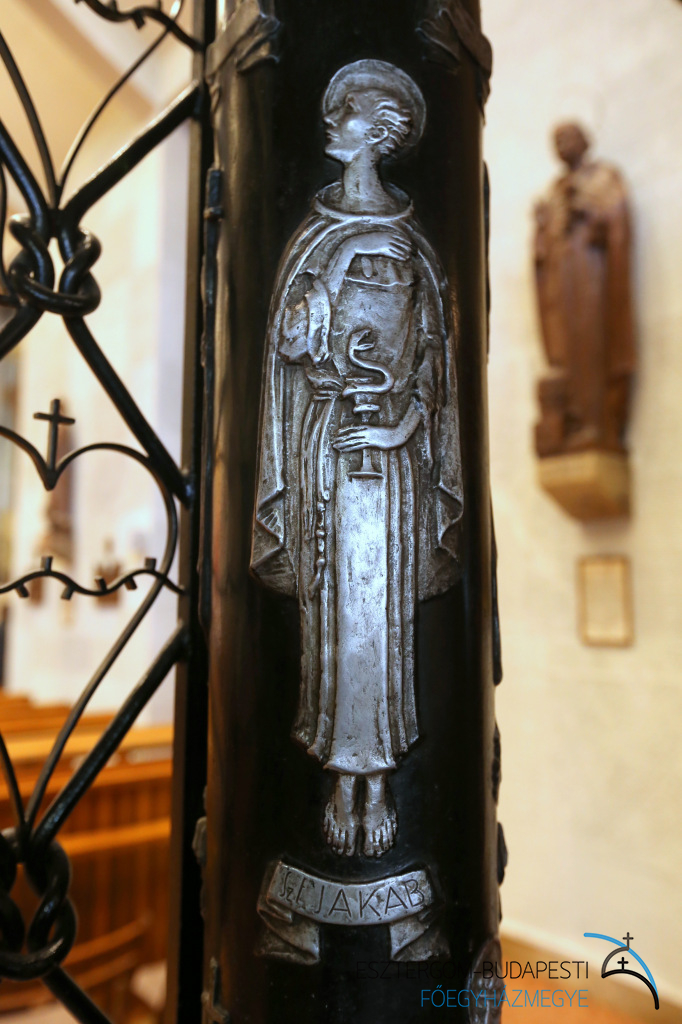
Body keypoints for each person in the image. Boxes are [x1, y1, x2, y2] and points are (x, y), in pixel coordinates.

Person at [251, 60, 462, 858]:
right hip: (326, 450)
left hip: (391, 458)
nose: (331, 119)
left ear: (378, 133)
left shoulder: (413, 248)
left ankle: (378, 777)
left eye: (348, 110)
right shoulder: (314, 239)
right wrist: (330, 279)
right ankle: (342, 777)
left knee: (378, 611)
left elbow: (435, 371)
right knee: (337, 605)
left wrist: (398, 430)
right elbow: (288, 350)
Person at [534, 123, 636, 456]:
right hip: (561, 283)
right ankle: (572, 422)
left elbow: (617, 221)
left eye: (567, 137)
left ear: (584, 140)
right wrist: (542, 228)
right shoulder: (554, 190)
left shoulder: (604, 178)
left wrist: (591, 216)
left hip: (591, 276)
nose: (561, 144)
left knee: (591, 345)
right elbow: (545, 244)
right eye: (556, 140)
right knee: (566, 351)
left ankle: (597, 423)